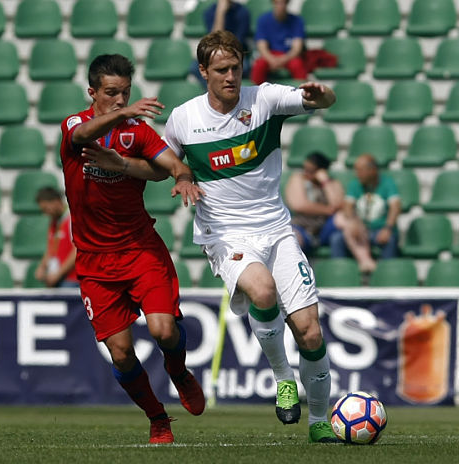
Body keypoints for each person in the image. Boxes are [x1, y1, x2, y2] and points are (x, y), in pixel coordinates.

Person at [163, 30, 339, 443]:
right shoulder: (184, 118)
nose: (231, 77)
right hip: (225, 233)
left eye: (236, 68)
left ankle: (318, 422)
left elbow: (323, 102)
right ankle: (283, 378)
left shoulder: (265, 99)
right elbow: (164, 159)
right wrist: (183, 173)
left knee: (310, 331)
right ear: (203, 71)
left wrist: (321, 92)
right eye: (221, 70)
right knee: (261, 291)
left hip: (276, 229)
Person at [59, 53, 206, 444]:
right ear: (92, 92)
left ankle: (178, 370)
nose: (120, 101)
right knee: (121, 354)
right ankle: (158, 418)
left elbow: (172, 164)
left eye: (125, 93)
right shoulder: (76, 125)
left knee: (163, 329)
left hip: (140, 249)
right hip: (94, 262)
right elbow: (80, 136)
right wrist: (121, 123)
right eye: (111, 93)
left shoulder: (136, 132)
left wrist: (184, 177)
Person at [329, 154, 401, 273]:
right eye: (356, 170)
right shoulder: (355, 184)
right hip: (361, 230)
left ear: (373, 170)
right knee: (337, 239)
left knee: (390, 240)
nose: (357, 174)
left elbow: (395, 207)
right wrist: (354, 222)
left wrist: (387, 228)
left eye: (361, 170)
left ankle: (386, 276)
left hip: (380, 229)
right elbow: (347, 206)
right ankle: (341, 275)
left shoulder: (388, 183)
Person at [285, 152, 344, 255]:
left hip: (323, 229)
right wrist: (328, 210)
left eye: (311, 171)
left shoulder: (332, 183)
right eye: (305, 169)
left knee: (342, 221)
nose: (307, 173)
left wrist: (325, 182)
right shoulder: (298, 179)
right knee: (292, 239)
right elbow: (299, 205)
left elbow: (337, 205)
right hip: (302, 227)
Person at [190, 0, 252, 84]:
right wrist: (220, 13)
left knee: (239, 67)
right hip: (216, 52)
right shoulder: (210, 12)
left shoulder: (243, 12)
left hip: (236, 53)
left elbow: (237, 43)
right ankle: (216, 92)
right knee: (195, 67)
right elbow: (213, 41)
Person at [251, 0, 307, 85]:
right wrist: (271, 59)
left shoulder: (297, 21)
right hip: (270, 55)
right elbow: (261, 46)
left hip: (288, 56)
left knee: (298, 65)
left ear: (287, 3)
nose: (280, 5)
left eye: (283, 2)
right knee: (259, 65)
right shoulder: (263, 20)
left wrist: (282, 59)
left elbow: (296, 49)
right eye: (277, 2)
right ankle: (255, 93)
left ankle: (303, 93)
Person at [34, 187, 78, 288]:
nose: (45, 213)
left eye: (46, 209)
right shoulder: (54, 222)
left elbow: (76, 250)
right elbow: (50, 249)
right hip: (57, 279)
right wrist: (42, 267)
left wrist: (58, 274)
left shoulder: (72, 219)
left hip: (71, 279)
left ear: (56, 202)